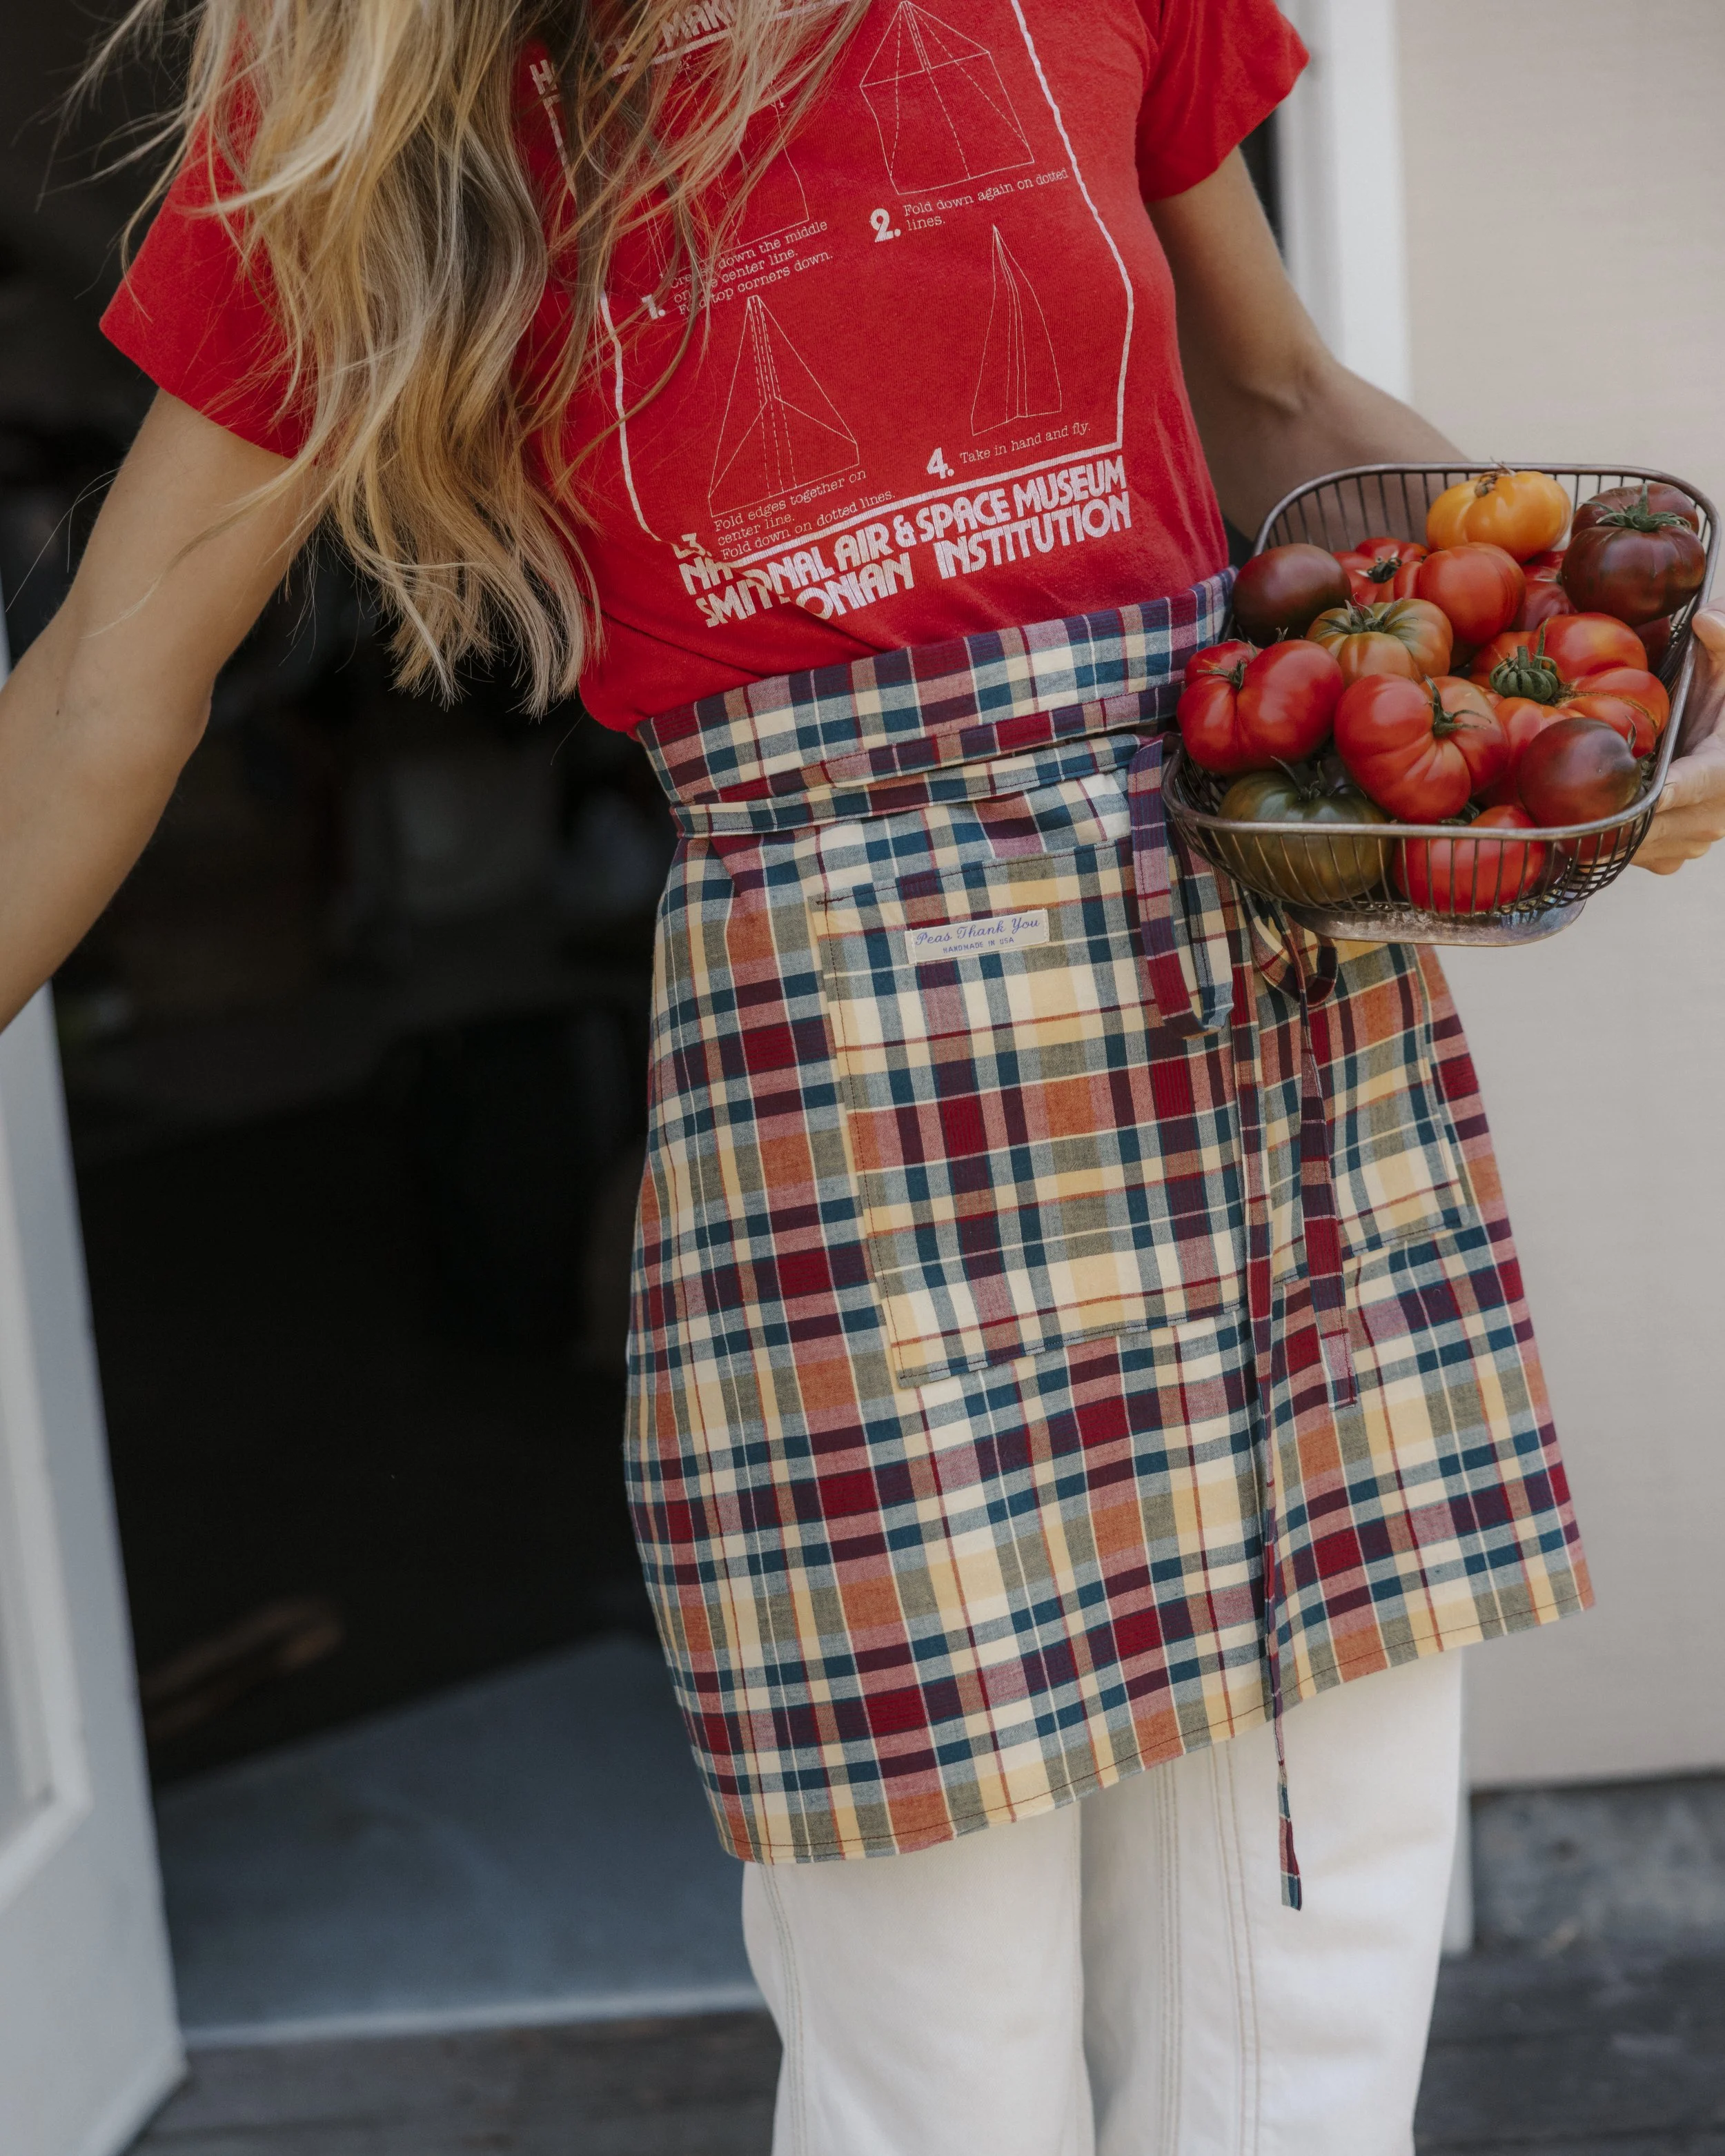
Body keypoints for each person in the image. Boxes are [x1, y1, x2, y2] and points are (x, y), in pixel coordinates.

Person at [11, 2, 1725, 2149]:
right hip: (846, 1087)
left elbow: (1275, 397)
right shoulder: (380, 92)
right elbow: (103, 688)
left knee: (1313, 1930)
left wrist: (1558, 708)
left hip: (1254, 981)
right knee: (936, 2029)